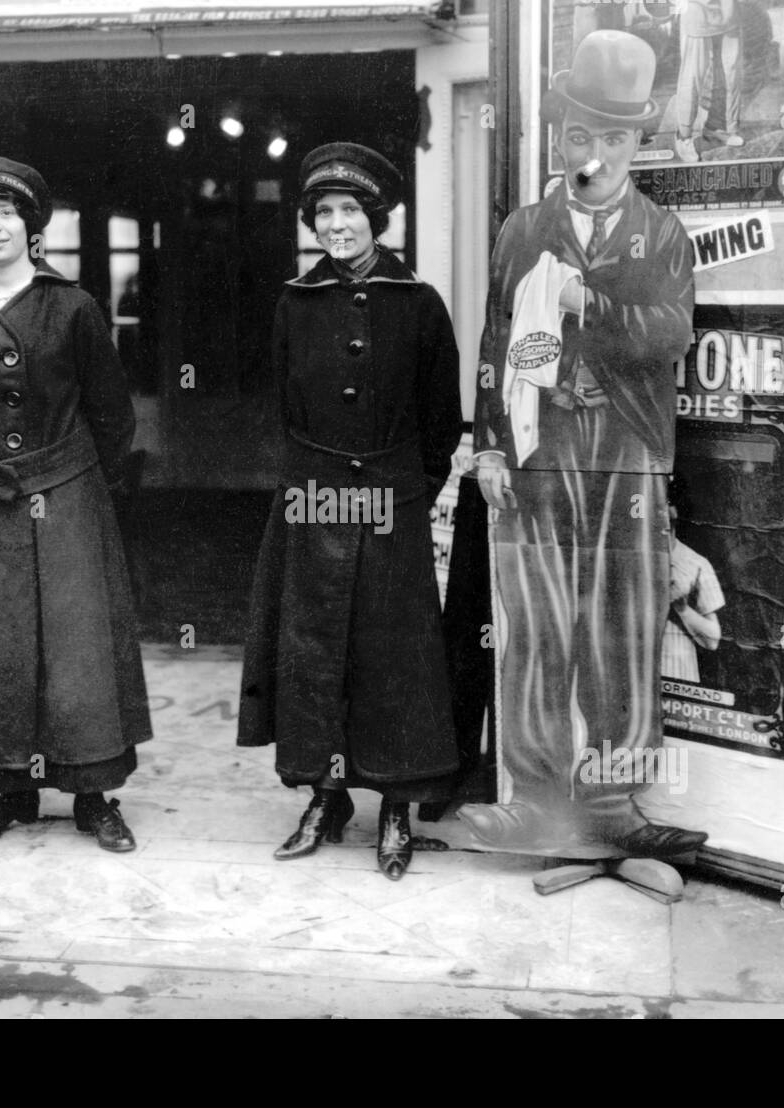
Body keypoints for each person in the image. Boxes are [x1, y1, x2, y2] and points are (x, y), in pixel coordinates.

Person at [460, 29, 708, 861]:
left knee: (625, 623)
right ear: (561, 135)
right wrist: (489, 447)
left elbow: (669, 337)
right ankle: (534, 801)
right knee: (533, 622)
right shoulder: (522, 228)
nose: (593, 153)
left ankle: (612, 807)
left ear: (637, 142)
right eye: (579, 135)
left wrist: (583, 303)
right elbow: (497, 342)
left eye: (613, 137)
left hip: (630, 451)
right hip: (538, 447)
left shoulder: (664, 234)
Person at [238, 143, 461, 881]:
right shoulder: (293, 303)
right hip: (314, 498)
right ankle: (326, 795)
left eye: (350, 211)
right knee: (313, 653)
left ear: (377, 218)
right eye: (324, 212)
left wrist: (406, 492)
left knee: (392, 654)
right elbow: (283, 409)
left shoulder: (419, 305)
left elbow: (441, 423)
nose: (337, 225)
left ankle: (394, 804)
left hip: (392, 498)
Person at [0, 157, 152, 852]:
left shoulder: (73, 308)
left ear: (31, 226)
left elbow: (114, 416)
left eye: (5, 215)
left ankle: (93, 795)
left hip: (68, 496)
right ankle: (8, 791)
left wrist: (80, 489)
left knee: (76, 651)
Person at [661, 495, 724, 683]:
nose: (662, 509)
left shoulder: (696, 563)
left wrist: (682, 608)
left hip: (677, 678)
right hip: (634, 680)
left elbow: (712, 640)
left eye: (668, 502)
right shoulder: (631, 559)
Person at [672, 0, 743, 163]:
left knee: (730, 74)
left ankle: (718, 127)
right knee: (692, 76)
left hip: (729, 12)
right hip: (697, 13)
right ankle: (684, 136)